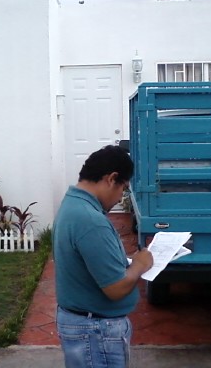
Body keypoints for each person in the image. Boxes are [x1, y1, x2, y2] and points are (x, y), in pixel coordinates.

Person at [53, 145, 154, 368]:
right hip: (96, 331)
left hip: (85, 325)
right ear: (111, 179)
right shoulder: (90, 220)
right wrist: (140, 264)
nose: (120, 198)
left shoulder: (72, 204)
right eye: (123, 189)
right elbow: (115, 288)